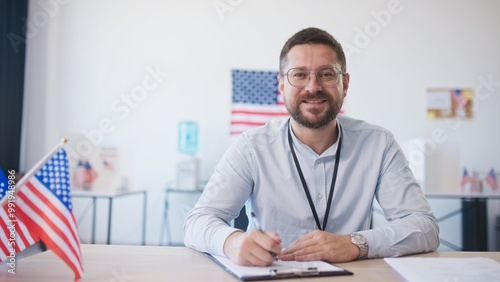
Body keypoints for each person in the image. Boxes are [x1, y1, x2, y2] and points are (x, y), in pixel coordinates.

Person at [184, 27, 439, 266]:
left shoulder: (378, 144)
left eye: (326, 74)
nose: (313, 86)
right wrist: (231, 242)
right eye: (299, 75)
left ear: (345, 84)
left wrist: (355, 244)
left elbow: (424, 227)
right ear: (282, 85)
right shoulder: (251, 147)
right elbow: (197, 222)